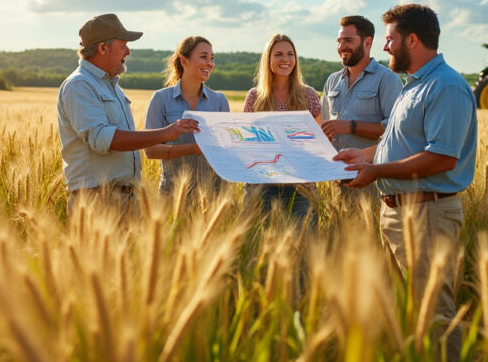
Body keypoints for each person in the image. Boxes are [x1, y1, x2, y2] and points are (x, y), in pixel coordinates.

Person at [333, 4, 477, 362]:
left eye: (390, 39)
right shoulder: (414, 87)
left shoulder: (446, 86)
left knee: (434, 313)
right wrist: (361, 155)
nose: (385, 48)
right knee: (406, 308)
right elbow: (397, 145)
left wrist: (375, 170)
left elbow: (441, 158)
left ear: (411, 39)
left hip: (426, 213)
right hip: (397, 212)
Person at [58, 13, 199, 213]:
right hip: (97, 201)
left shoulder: (111, 86)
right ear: (103, 48)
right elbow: (101, 139)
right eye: (123, 45)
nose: (128, 51)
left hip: (126, 199)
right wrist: (166, 133)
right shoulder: (80, 84)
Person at [320, 15, 402, 198]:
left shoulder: (387, 80)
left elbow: (395, 130)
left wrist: (351, 126)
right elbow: (324, 126)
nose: (342, 47)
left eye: (348, 40)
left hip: (370, 182)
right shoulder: (332, 81)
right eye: (339, 41)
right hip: (335, 181)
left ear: (367, 42)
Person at [243, 34, 321, 219]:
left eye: (290, 54)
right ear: (268, 59)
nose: (285, 59)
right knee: (259, 244)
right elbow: (246, 143)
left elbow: (319, 143)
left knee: (303, 244)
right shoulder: (255, 97)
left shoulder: (308, 96)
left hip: (301, 185)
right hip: (261, 185)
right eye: (278, 54)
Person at [144, 36, 230, 197]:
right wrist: (192, 149)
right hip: (172, 194)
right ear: (184, 61)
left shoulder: (219, 101)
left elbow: (226, 150)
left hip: (213, 196)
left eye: (212, 58)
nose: (209, 64)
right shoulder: (161, 99)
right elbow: (150, 151)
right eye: (203, 57)